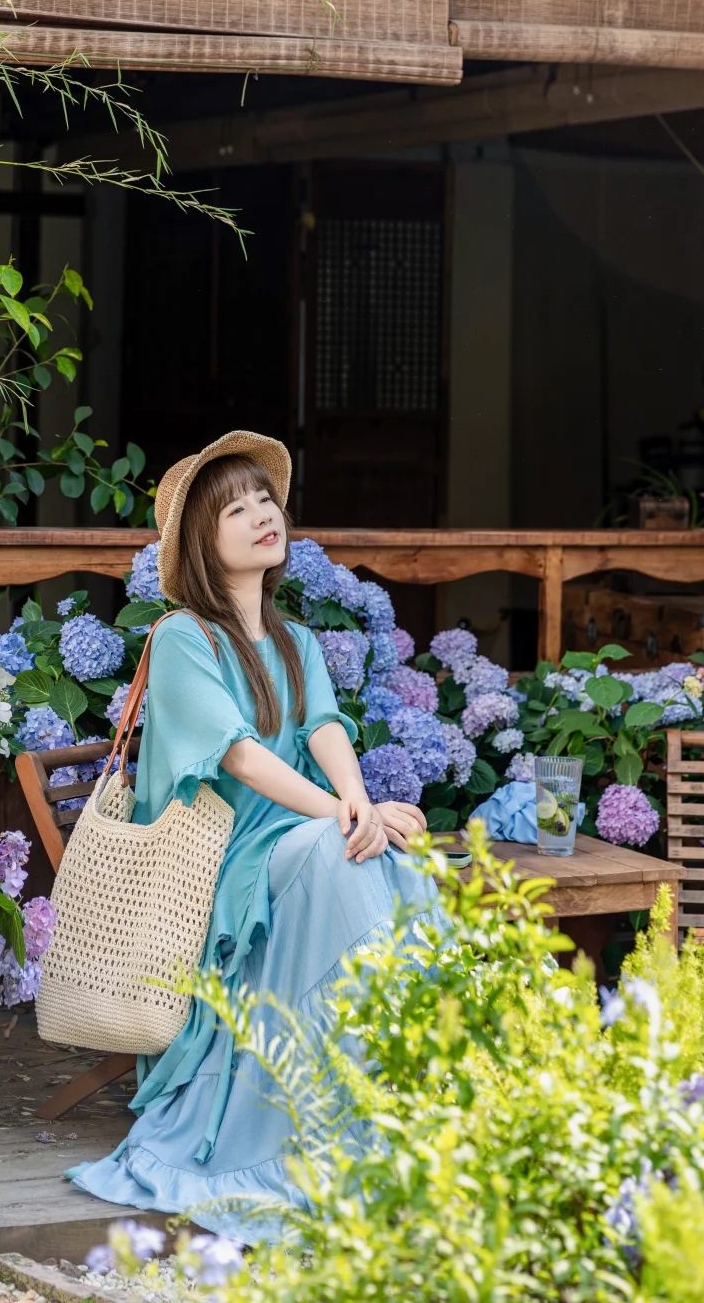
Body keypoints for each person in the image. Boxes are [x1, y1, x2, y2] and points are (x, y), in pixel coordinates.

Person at [69, 431, 442, 1238]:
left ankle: (409, 1094)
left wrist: (360, 800)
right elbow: (236, 755)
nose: (261, 514)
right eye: (235, 509)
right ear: (203, 544)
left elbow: (324, 728)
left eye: (265, 499)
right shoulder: (181, 637)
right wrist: (343, 816)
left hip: (296, 838)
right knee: (341, 848)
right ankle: (347, 1110)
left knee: (398, 856)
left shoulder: (295, 639)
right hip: (221, 860)